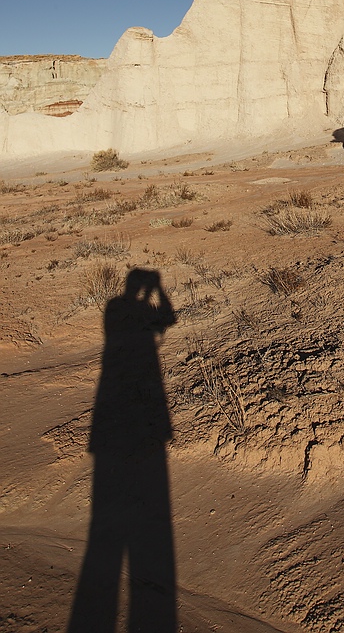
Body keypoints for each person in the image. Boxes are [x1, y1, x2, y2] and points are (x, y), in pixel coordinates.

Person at [68, 268, 177, 633]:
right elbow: (170, 319)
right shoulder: (128, 309)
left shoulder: (115, 308)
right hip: (141, 391)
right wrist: (160, 289)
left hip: (115, 399)